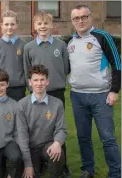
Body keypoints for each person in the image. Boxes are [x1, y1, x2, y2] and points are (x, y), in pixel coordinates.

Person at [68, 4, 121, 178]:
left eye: (84, 17)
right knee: (83, 137)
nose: (80, 21)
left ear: (91, 18)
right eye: (76, 18)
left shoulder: (102, 36)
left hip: (101, 96)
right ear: (72, 21)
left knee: (107, 137)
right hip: (77, 96)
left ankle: (115, 172)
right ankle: (88, 169)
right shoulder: (70, 42)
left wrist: (114, 90)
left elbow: (117, 64)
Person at [23, 11, 70, 176]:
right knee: (38, 127)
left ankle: (62, 165)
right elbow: (26, 70)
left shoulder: (60, 45)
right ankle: (38, 160)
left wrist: (56, 80)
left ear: (52, 25)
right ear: (35, 26)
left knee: (58, 128)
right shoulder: (28, 47)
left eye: (46, 23)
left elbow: (66, 68)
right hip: (36, 95)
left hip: (56, 92)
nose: (43, 26)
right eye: (39, 24)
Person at [16, 65, 67, 178]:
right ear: (30, 82)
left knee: (58, 153)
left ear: (47, 81)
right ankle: (37, 167)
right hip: (30, 148)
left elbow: (62, 129)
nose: (39, 83)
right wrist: (28, 165)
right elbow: (22, 136)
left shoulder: (57, 103)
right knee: (29, 174)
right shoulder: (22, 105)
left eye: (42, 79)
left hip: (47, 146)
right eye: (35, 80)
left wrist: (57, 143)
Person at [0, 10, 27, 102]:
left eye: (12, 24)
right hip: (0, 88)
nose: (9, 27)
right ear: (1, 25)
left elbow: (26, 68)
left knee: (18, 115)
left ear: (17, 24)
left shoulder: (24, 45)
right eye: (6, 24)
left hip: (19, 89)